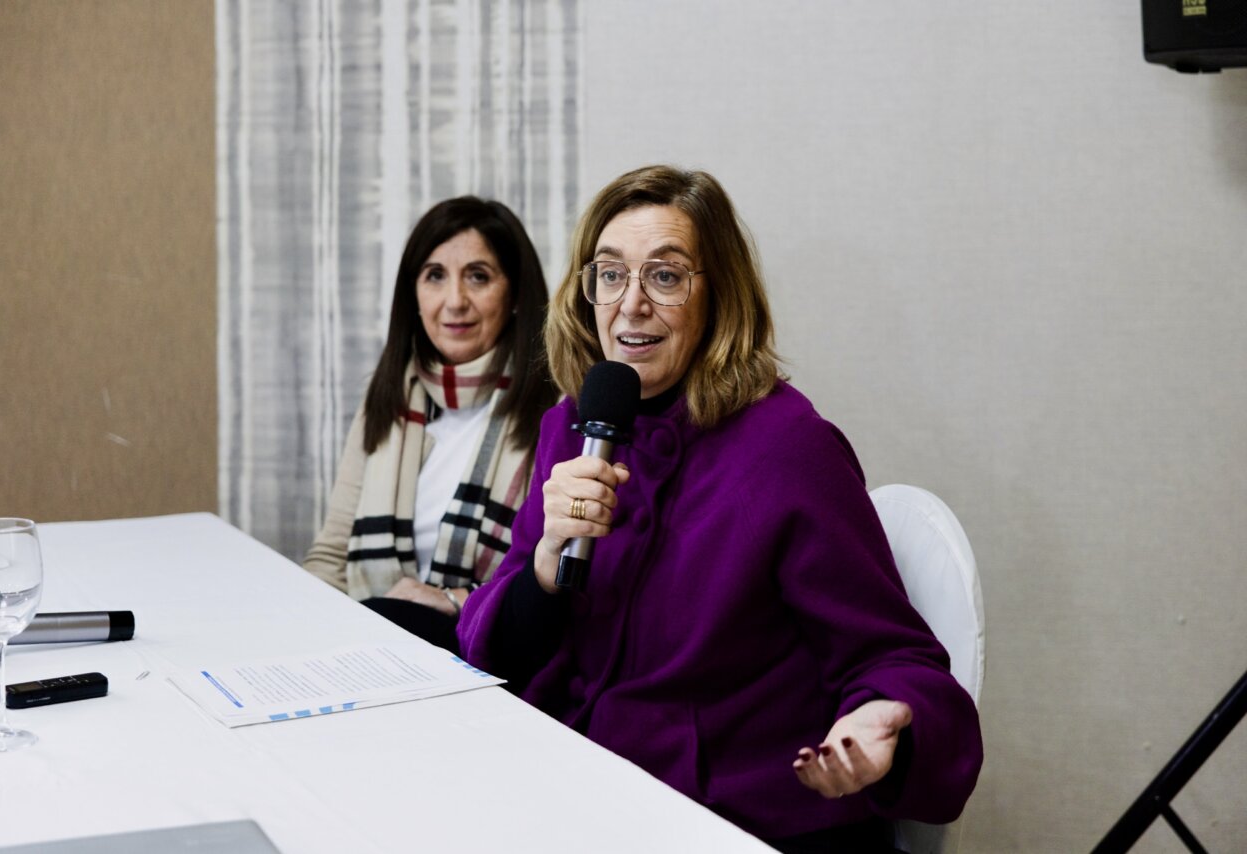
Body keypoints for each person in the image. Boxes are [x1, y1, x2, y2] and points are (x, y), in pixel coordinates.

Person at [457, 166, 982, 852]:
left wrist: (881, 719)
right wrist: (547, 572)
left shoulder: (789, 449)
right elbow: (504, 643)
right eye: (611, 275)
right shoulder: (572, 426)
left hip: (736, 817)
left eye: (666, 277)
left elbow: (895, 654)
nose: (631, 305)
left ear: (720, 300)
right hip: (583, 785)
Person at [303, 196, 557, 653]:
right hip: (363, 644)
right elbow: (331, 555)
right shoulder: (388, 396)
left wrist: (451, 600)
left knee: (396, 616)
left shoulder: (555, 409)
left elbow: (552, 584)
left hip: (486, 650)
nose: (454, 301)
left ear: (516, 295)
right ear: (413, 294)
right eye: (435, 275)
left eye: (478, 277)